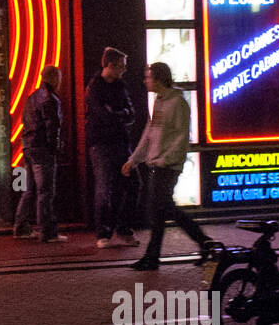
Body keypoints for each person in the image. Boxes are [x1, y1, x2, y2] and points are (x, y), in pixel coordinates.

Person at [122, 62, 216, 270]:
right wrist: (135, 159)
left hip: (167, 166)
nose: (145, 81)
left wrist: (164, 159)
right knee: (165, 211)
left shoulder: (177, 104)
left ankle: (153, 257)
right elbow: (150, 133)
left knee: (158, 211)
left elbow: (181, 137)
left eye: (148, 77)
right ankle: (204, 243)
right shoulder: (160, 101)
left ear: (158, 79)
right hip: (158, 163)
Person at [87, 47, 138, 249]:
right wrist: (121, 114)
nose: (124, 71)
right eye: (121, 67)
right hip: (101, 144)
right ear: (110, 65)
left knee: (132, 184)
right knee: (104, 188)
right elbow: (106, 115)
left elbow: (130, 114)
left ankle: (120, 229)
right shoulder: (95, 87)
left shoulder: (119, 85)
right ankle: (104, 232)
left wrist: (116, 113)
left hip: (119, 142)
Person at [13, 65, 67, 243]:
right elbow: (53, 127)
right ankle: (48, 232)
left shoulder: (32, 97)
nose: (60, 82)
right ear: (53, 78)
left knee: (28, 190)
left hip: (28, 148)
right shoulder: (51, 99)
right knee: (45, 192)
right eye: (59, 78)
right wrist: (55, 148)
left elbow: (25, 122)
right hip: (43, 149)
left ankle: (21, 228)